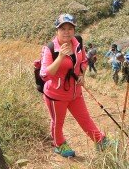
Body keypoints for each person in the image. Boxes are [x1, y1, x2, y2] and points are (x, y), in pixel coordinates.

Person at [40, 13, 111, 157]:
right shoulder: (50, 49)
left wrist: (81, 74)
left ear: (74, 30)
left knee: (85, 118)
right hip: (55, 95)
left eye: (70, 28)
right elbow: (45, 74)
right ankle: (59, 144)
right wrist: (60, 57)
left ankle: (99, 140)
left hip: (75, 92)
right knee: (57, 122)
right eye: (63, 28)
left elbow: (84, 61)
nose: (66, 32)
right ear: (57, 31)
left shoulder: (77, 43)